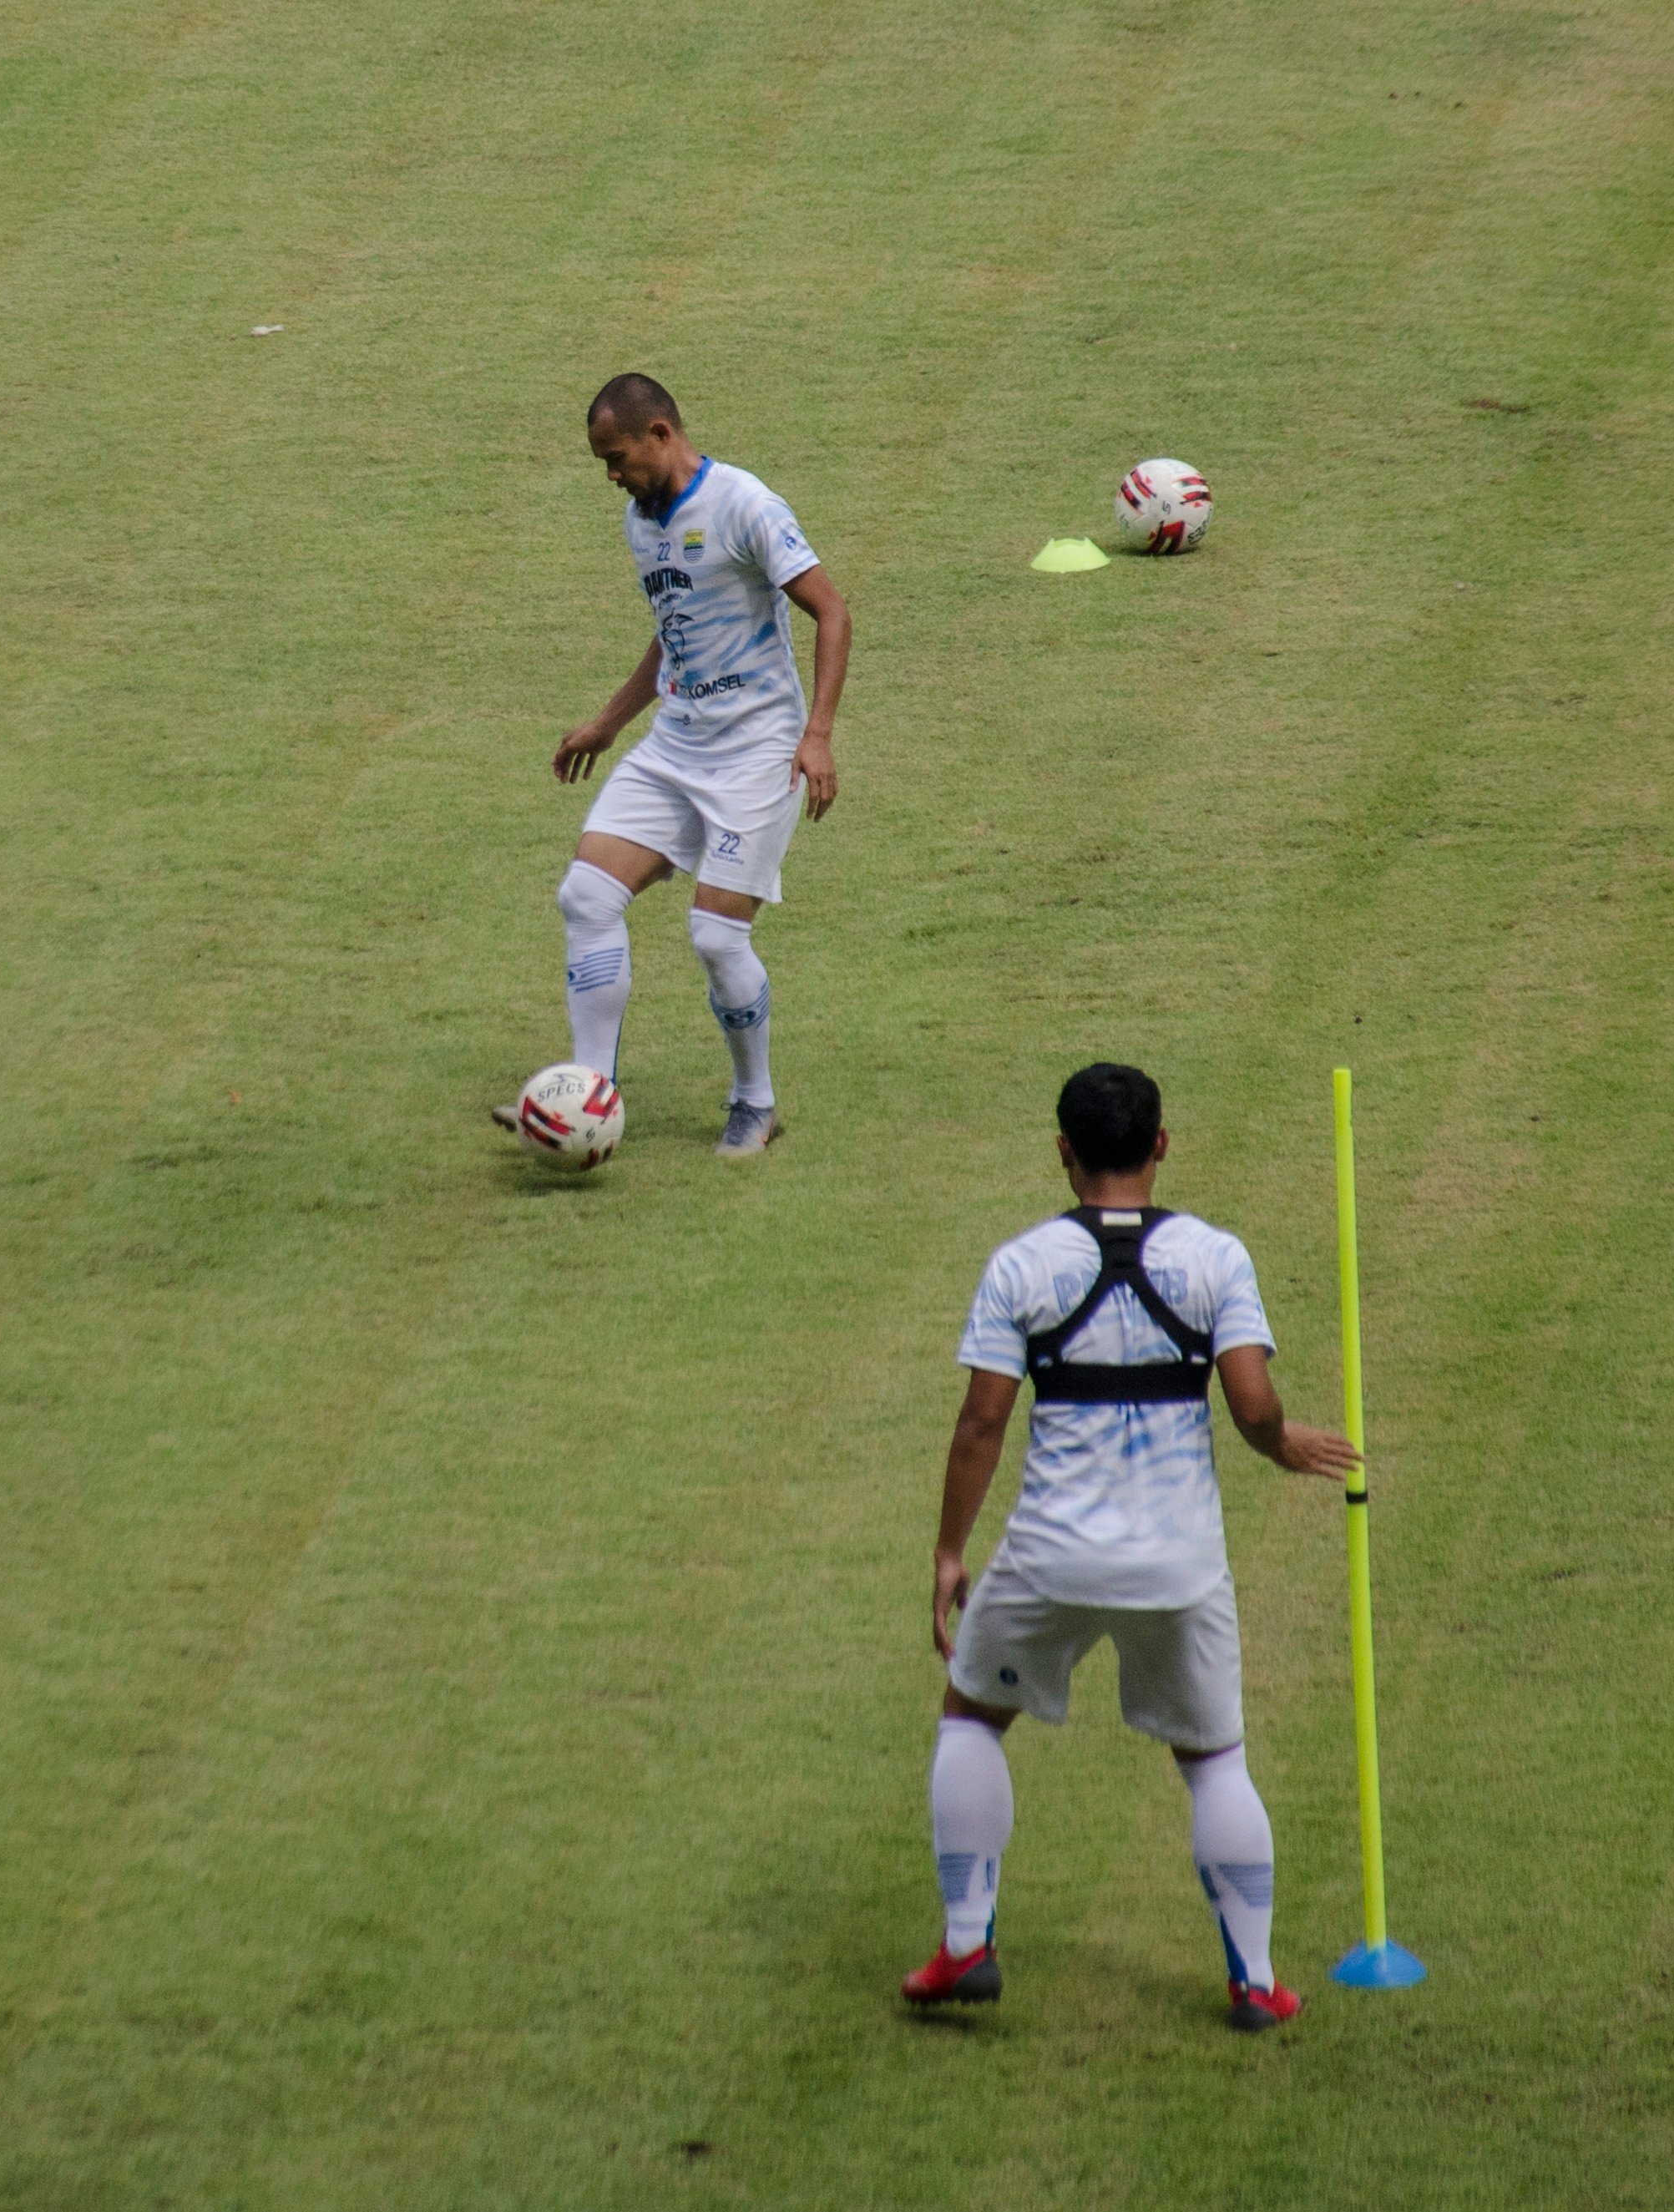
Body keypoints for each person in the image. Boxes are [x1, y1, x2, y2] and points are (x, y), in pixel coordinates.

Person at [903, 1064, 1358, 2030]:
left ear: (1062, 1152)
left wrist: (950, 1551)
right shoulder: (1214, 1258)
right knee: (1214, 1761)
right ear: (1161, 1146)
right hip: (1180, 1563)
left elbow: (981, 1422)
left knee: (972, 1717)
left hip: (1050, 1556)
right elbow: (1250, 1406)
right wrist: (1286, 1445)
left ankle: (965, 1947)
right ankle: (1255, 1981)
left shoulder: (1020, 1265)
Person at [498, 372, 850, 1157]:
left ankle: (754, 1103)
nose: (612, 477)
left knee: (718, 939)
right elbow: (674, 629)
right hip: (677, 744)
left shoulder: (745, 505)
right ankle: (589, 1099)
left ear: (660, 433)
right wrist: (607, 723)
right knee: (587, 895)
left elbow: (832, 609)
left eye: (617, 458)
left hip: (759, 751)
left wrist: (817, 733)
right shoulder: (642, 523)